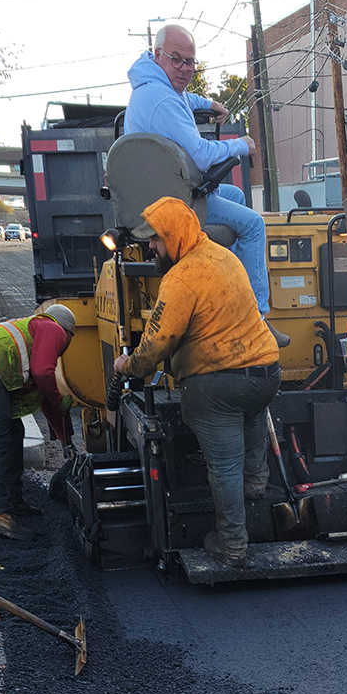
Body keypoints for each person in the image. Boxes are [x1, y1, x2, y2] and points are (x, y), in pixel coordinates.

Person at [112, 196, 281, 568]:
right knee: (252, 414)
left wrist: (127, 365)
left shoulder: (181, 278)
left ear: (174, 236)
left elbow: (156, 344)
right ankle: (256, 483)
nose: (150, 246)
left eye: (155, 238)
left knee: (224, 466)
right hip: (266, 371)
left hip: (218, 385)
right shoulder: (225, 257)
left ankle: (232, 545)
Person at [123, 23, 274, 319]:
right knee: (254, 225)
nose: (184, 68)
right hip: (176, 201)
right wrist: (241, 144)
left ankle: (228, 286)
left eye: (190, 61)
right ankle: (255, 315)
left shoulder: (154, 84)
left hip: (165, 188)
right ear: (158, 54)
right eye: (176, 59)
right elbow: (202, 156)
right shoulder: (163, 102)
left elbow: (185, 98)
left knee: (236, 195)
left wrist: (208, 103)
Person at [0, 303, 77, 538]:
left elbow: (45, 399)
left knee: (13, 431)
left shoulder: (33, 333)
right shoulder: (53, 328)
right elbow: (43, 372)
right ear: (68, 332)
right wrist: (61, 401)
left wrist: (64, 440)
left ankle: (12, 501)